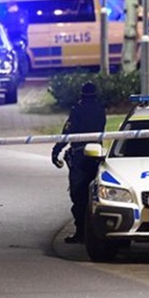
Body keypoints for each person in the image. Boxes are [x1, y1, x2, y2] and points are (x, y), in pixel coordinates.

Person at [51, 82, 106, 244]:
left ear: (82, 94)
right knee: (94, 195)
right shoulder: (100, 109)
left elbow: (67, 132)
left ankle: (81, 233)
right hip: (96, 154)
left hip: (79, 156)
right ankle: (95, 231)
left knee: (78, 196)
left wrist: (56, 151)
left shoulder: (77, 109)